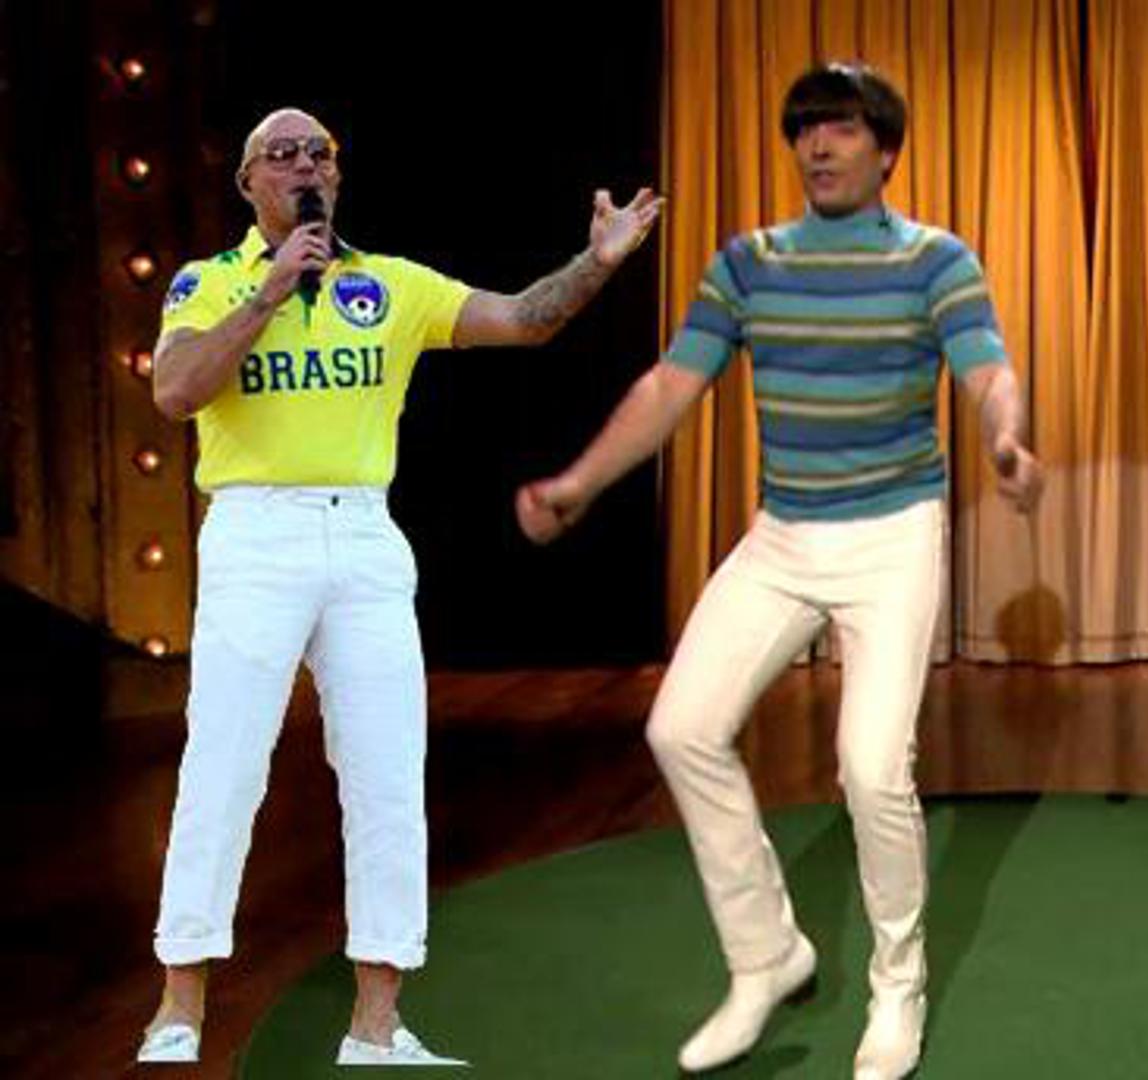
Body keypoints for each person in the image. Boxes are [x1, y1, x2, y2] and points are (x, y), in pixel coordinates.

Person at [516, 63, 1042, 1078]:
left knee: (872, 768)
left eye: (840, 128)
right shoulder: (749, 262)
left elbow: (988, 371)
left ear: (885, 150)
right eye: (805, 129)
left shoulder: (935, 259)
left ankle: (898, 986)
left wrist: (1006, 440)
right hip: (784, 535)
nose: (818, 145)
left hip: (892, 536)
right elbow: (672, 386)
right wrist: (579, 482)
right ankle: (765, 957)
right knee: (681, 728)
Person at [136, 107, 661, 1066]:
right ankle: (179, 1009)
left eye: (321, 153)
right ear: (247, 182)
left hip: (364, 533)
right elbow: (175, 392)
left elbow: (524, 319)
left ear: (337, 177)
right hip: (255, 531)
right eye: (283, 154)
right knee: (224, 767)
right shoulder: (206, 283)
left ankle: (376, 1026)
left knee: (385, 776)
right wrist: (269, 293)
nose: (306, 165)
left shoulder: (390, 284)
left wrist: (598, 261)